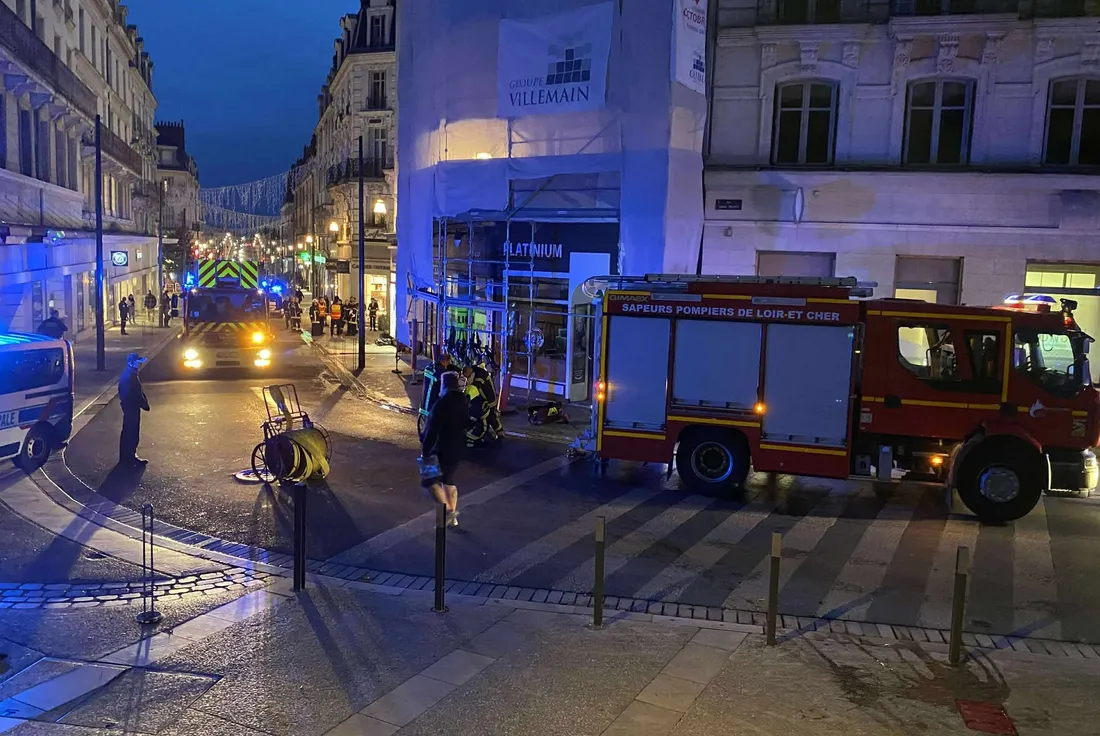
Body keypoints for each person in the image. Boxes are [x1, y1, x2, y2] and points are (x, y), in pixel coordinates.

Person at [420, 371, 467, 528]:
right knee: (448, 481)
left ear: (444, 385)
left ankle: (448, 512)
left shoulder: (441, 404)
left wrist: (425, 451)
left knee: (429, 481)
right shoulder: (463, 401)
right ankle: (453, 518)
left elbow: (431, 430)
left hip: (440, 449)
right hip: (457, 449)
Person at [118, 352, 150, 465]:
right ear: (131, 362)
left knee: (128, 431)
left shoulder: (130, 373)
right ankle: (129, 457)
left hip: (129, 407)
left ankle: (126, 457)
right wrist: (144, 404)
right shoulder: (130, 376)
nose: (139, 364)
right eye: (137, 362)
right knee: (131, 432)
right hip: (131, 407)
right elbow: (135, 393)